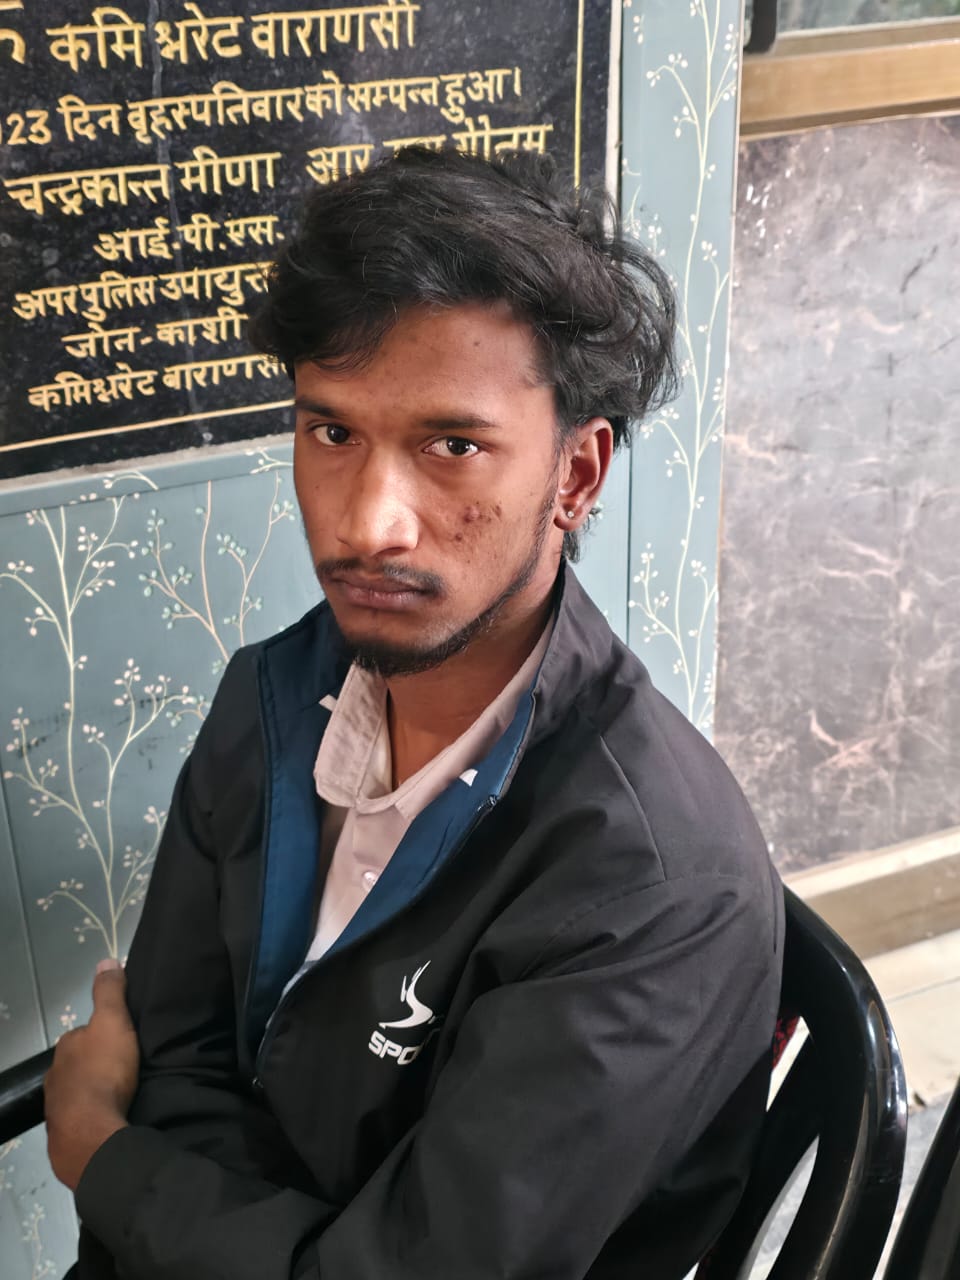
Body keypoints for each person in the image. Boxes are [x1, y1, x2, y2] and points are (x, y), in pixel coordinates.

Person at [44, 147, 784, 1280]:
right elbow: (177, 1051)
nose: (367, 524)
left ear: (576, 477)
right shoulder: (276, 694)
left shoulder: (649, 883)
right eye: (331, 432)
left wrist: (106, 1159)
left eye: (453, 447)